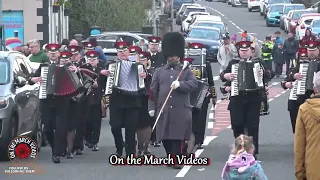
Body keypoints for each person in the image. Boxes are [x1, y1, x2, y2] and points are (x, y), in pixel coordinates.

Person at [148, 32, 198, 169]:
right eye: (169, 56)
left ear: (179, 56)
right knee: (165, 138)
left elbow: (194, 84)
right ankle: (170, 156)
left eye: (174, 56)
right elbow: (153, 91)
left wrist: (180, 85)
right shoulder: (159, 71)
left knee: (177, 136)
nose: (171, 58)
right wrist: (151, 107)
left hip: (181, 109)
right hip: (163, 109)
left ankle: (176, 159)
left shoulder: (186, 71)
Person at [220, 41, 271, 159]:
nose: (244, 53)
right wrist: (226, 76)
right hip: (237, 99)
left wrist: (263, 73)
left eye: (246, 50)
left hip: (253, 99)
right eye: (242, 51)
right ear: (238, 51)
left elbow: (270, 73)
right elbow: (223, 75)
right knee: (237, 124)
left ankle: (252, 152)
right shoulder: (233, 63)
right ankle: (239, 148)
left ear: (251, 51)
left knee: (252, 126)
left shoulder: (258, 62)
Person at [28, 43, 79, 163]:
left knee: (61, 127)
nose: (53, 54)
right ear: (47, 54)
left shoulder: (67, 66)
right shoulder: (43, 67)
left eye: (55, 52)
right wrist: (32, 79)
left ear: (59, 54)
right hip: (46, 100)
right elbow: (31, 80)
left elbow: (78, 80)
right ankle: (56, 147)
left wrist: (76, 70)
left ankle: (56, 153)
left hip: (62, 101)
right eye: (50, 52)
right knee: (48, 129)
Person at [108, 41, 146, 156]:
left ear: (129, 52)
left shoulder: (138, 66)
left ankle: (130, 152)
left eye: (124, 51)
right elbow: (105, 84)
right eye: (120, 51)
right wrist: (103, 74)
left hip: (132, 100)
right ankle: (119, 147)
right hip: (116, 100)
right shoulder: (111, 65)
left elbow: (145, 82)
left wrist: (145, 75)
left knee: (131, 128)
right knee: (115, 126)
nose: (122, 53)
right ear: (117, 53)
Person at [187, 44, 216, 150]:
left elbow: (211, 81)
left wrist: (214, 96)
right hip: (189, 93)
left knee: (201, 118)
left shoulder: (206, 64)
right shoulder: (186, 64)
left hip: (203, 94)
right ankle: (190, 138)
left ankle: (199, 141)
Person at [294, 72, 320, 180]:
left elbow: (299, 145)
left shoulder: (304, 109)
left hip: (314, 169)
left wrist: (300, 174)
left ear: (315, 89)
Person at [82, 51, 105, 151]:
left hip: (97, 99)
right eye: (90, 59)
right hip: (86, 99)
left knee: (97, 122)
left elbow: (105, 84)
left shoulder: (101, 70)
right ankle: (87, 138)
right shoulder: (83, 69)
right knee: (87, 120)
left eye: (94, 60)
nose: (92, 62)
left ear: (97, 60)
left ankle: (95, 142)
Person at [281, 48, 306, 134]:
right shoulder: (296, 64)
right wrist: (287, 82)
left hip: (310, 99)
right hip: (295, 98)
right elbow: (285, 80)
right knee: (295, 124)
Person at [147, 36, 165, 147]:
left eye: (156, 45)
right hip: (146, 88)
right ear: (149, 45)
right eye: (152, 44)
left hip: (158, 89)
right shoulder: (144, 56)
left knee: (157, 115)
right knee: (148, 114)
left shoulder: (162, 57)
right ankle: (148, 137)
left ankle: (156, 138)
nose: (154, 46)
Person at [136, 51, 153, 156]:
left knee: (147, 124)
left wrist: (146, 75)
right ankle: (140, 147)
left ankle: (145, 147)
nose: (141, 62)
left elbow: (152, 77)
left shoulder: (152, 71)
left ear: (147, 61)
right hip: (136, 99)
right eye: (139, 60)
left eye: (143, 60)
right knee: (138, 125)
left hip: (147, 100)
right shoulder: (133, 70)